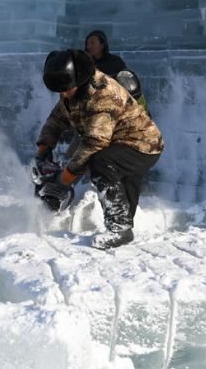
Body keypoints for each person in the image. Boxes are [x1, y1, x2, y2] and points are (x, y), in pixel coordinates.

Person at [35, 49, 164, 249]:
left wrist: (63, 181)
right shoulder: (73, 90)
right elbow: (57, 119)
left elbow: (94, 144)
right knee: (122, 194)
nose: (64, 94)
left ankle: (119, 228)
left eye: (66, 89)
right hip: (121, 142)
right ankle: (123, 230)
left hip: (142, 144)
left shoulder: (103, 95)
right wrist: (43, 149)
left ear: (79, 79)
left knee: (101, 162)